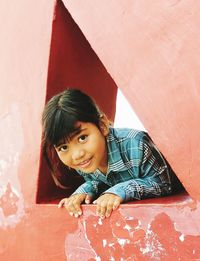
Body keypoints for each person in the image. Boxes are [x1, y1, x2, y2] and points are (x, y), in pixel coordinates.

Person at [42, 88, 182, 219]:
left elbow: (164, 184)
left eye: (82, 138)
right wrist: (83, 191)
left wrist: (120, 191)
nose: (76, 155)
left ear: (102, 125)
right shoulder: (84, 160)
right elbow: (99, 181)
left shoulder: (136, 144)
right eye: (64, 147)